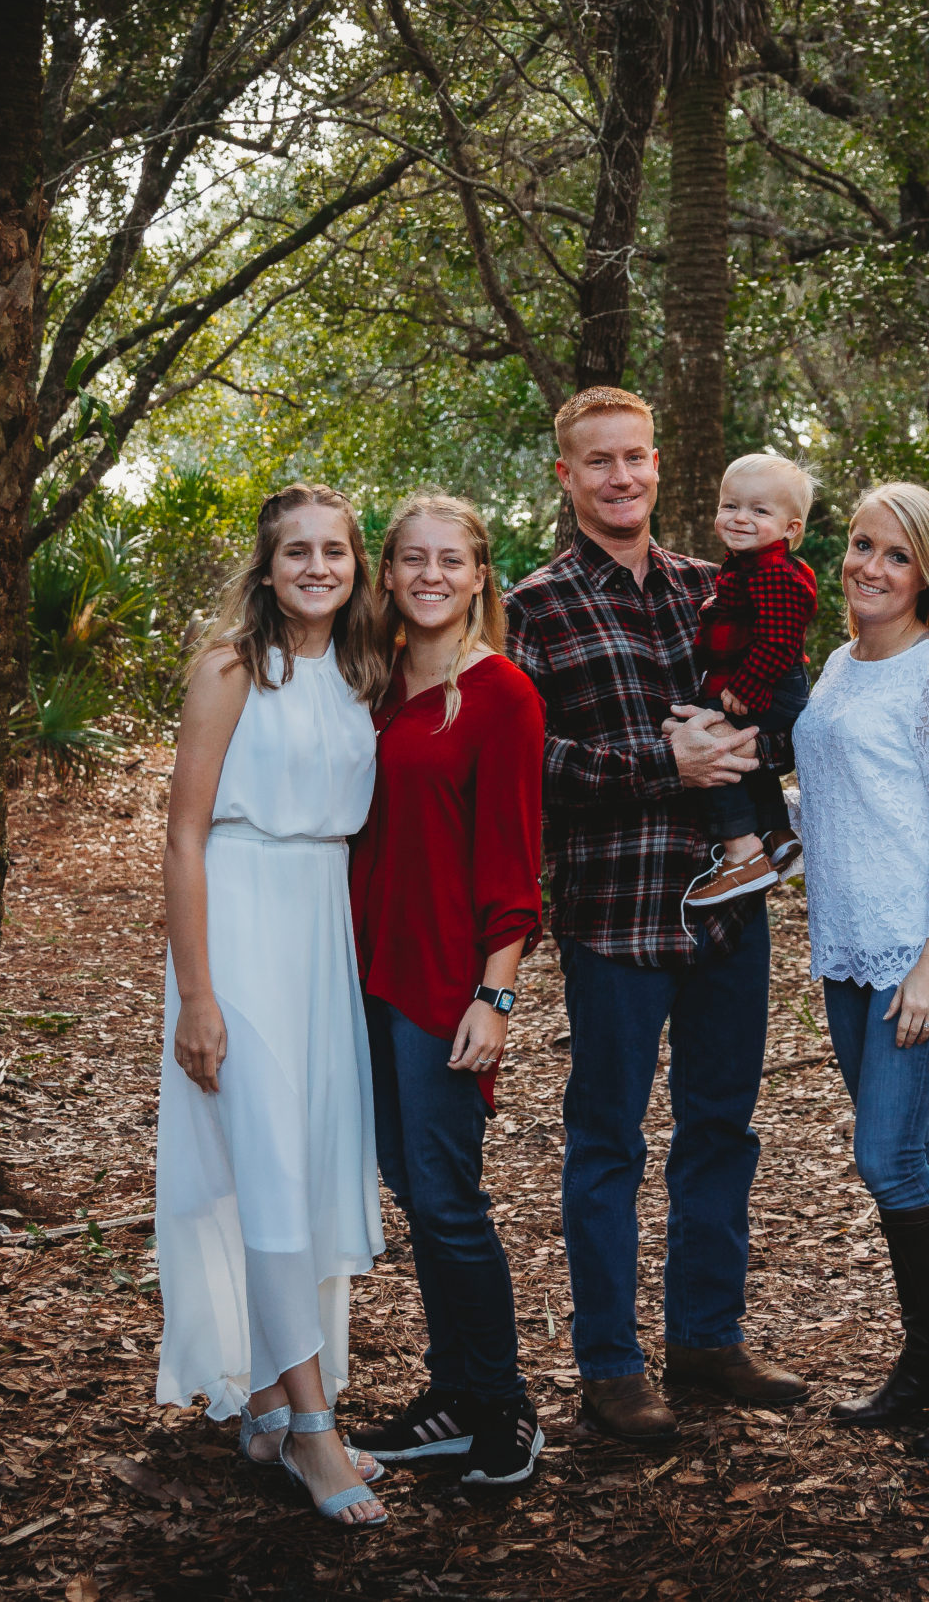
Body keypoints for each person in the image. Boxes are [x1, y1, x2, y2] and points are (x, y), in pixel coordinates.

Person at [505, 386, 810, 1447]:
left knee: (722, 1128)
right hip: (615, 915)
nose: (621, 476)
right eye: (598, 462)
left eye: (635, 457)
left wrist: (756, 748)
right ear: (567, 477)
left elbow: (779, 698)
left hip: (730, 907)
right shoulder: (531, 608)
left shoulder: (721, 585)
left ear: (655, 463)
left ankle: (706, 1340)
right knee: (606, 1142)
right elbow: (521, 765)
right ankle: (610, 1364)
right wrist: (658, 762)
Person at [153, 484, 390, 1527]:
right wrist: (198, 993)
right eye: (297, 551)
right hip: (241, 927)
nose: (317, 567)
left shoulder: (358, 671)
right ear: (265, 565)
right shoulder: (229, 668)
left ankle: (265, 1395)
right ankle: (312, 1433)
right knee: (271, 1168)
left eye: (335, 551)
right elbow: (184, 838)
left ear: (356, 566)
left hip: (318, 929)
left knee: (301, 1166)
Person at [794, 482, 929, 1457]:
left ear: (927, 572)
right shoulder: (839, 665)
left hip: (920, 948)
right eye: (859, 546)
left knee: (887, 1155)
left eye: (894, 554)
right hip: (845, 943)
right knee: (898, 1162)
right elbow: (846, 800)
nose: (868, 567)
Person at [346, 493, 551, 1486]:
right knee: (412, 1189)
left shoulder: (502, 694)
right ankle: (455, 1394)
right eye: (412, 560)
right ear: (385, 574)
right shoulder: (365, 685)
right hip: (356, 972)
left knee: (448, 1197)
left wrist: (494, 999)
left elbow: (514, 870)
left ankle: (503, 1406)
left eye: (451, 561)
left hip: (441, 985)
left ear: (479, 578)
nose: (430, 576)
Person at [681, 453, 818, 910]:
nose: (740, 518)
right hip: (758, 680)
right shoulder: (745, 565)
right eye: (730, 505)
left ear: (791, 529)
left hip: (769, 684)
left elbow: (779, 641)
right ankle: (778, 834)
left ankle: (742, 853)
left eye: (760, 511)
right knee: (739, 749)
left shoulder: (774, 572)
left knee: (709, 742)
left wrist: (745, 687)